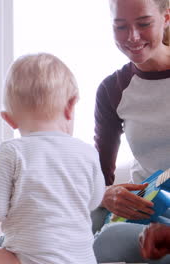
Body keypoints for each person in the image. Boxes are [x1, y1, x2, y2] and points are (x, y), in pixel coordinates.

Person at [0, 53, 105, 264]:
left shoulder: (13, 151)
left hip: (29, 260)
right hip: (83, 260)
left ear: (9, 119)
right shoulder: (87, 152)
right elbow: (94, 200)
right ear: (70, 105)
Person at [92, 0, 170, 263]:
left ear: (166, 18)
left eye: (144, 24)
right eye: (121, 26)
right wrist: (105, 194)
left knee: (106, 242)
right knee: (85, 221)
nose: (132, 37)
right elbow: (99, 173)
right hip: (147, 206)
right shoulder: (112, 90)